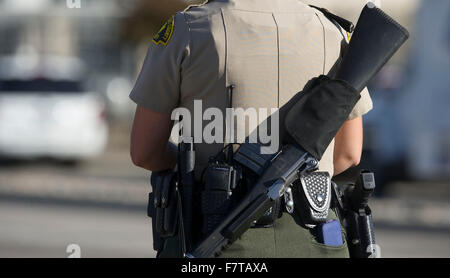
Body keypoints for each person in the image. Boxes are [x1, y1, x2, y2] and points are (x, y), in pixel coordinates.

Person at [129, 0, 373, 258]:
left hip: (218, 238)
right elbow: (348, 154)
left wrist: (193, 166)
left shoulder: (189, 28)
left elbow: (145, 151)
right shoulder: (333, 33)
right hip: (317, 238)